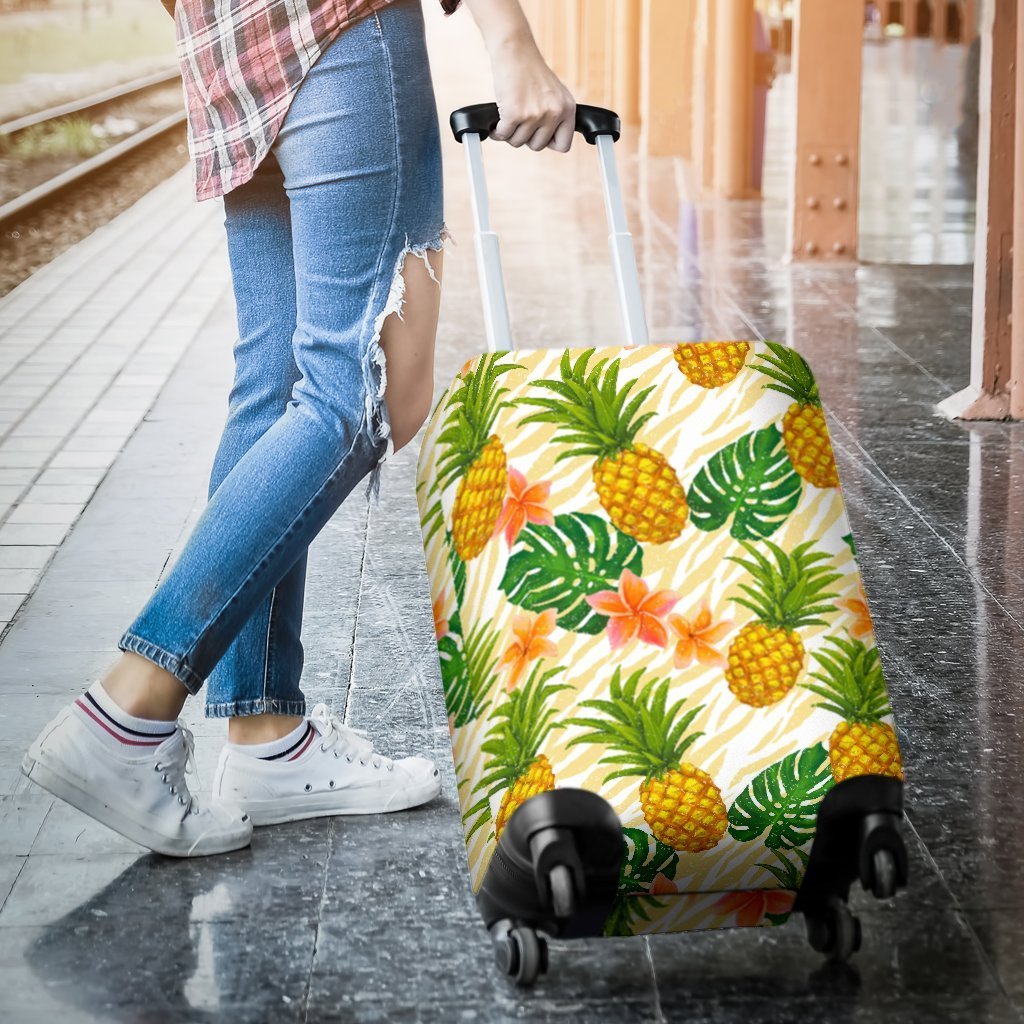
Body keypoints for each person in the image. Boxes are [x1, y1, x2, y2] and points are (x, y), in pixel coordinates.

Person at [22, 0, 576, 857]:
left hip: (227, 49)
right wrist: (512, 43)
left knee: (276, 383)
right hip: (340, 27)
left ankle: (265, 734)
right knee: (363, 391)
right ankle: (127, 711)